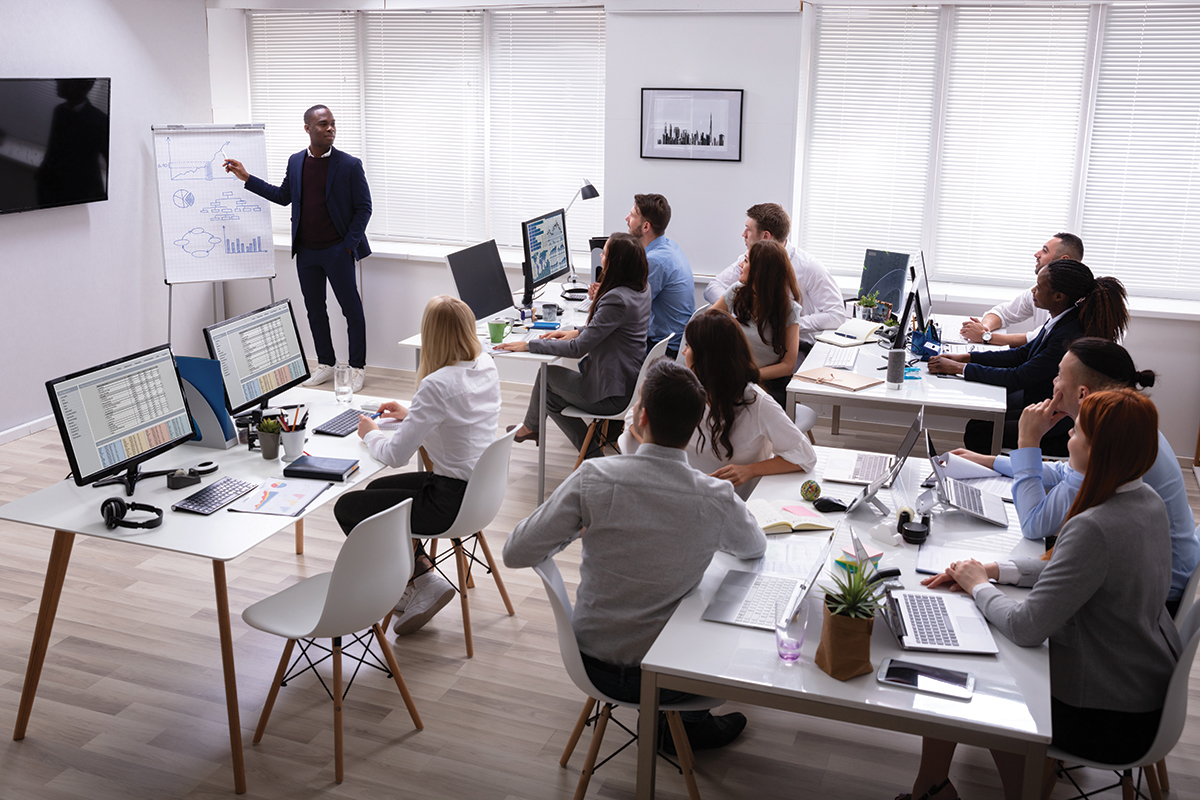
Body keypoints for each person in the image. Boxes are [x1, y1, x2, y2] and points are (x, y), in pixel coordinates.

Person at [901, 389, 1181, 800]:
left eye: (1078, 433)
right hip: (1140, 686)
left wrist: (978, 585)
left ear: (1099, 451)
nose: (1068, 436)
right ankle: (932, 787)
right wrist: (996, 570)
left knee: (976, 680)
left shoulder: (1095, 527)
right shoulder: (1147, 501)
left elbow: (1027, 626)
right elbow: (1067, 568)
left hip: (1109, 715)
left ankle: (962, 789)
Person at [503, 359, 766, 752]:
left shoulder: (594, 478)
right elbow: (754, 547)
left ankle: (674, 726)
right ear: (695, 427)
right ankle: (685, 725)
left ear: (640, 417)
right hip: (672, 678)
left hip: (593, 665)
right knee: (722, 595)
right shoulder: (714, 496)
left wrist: (577, 527)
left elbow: (514, 551)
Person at [950, 338, 1198, 615]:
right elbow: (1062, 473)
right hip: (1157, 569)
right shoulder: (1125, 423)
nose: (1053, 383)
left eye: (1058, 376)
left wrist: (1028, 443)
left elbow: (1034, 525)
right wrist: (992, 462)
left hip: (1149, 595)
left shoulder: (1108, 445)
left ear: (1082, 393)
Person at [332, 295, 501, 636]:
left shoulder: (436, 385)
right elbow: (459, 421)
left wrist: (370, 433)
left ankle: (415, 582)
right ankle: (420, 574)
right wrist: (412, 418)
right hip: (480, 492)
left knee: (349, 507)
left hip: (448, 503)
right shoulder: (485, 364)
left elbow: (395, 456)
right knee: (375, 491)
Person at [223, 105, 372, 392]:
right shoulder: (295, 162)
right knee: (315, 311)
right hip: (306, 252)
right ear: (308, 128)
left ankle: (357, 368)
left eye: (333, 124)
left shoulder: (349, 165)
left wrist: (348, 246)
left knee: (352, 311)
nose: (330, 129)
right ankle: (326, 364)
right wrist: (247, 178)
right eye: (323, 124)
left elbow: (364, 208)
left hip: (338, 251)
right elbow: (283, 197)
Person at [927, 259, 1128, 454]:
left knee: (980, 431)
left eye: (1039, 287)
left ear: (1059, 296)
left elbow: (1019, 377)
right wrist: (967, 358)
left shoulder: (1068, 334)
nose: (1033, 290)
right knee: (983, 419)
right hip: (1042, 401)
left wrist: (958, 369)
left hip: (1060, 426)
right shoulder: (1061, 319)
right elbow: (1021, 354)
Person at [619, 309, 816, 498]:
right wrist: (660, 454)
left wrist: (749, 471)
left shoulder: (755, 402)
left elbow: (805, 456)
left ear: (706, 357)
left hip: (735, 502)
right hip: (687, 495)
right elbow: (632, 417)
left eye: (689, 346)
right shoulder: (686, 387)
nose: (684, 352)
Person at [502, 232, 651, 455]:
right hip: (628, 382)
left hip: (612, 394)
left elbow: (578, 349)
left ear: (616, 263)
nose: (601, 256)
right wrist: (573, 332)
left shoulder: (615, 299)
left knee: (546, 377)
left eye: (605, 254)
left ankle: (533, 429)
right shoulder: (640, 289)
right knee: (549, 397)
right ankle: (587, 454)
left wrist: (530, 345)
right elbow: (610, 330)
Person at [703, 203, 846, 356]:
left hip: (793, 345)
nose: (743, 234)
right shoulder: (748, 259)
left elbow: (836, 316)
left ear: (765, 236)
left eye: (749, 229)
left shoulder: (809, 267)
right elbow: (714, 287)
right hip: (753, 342)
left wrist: (789, 324)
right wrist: (738, 307)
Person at [711, 240, 802, 408]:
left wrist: (748, 376)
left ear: (760, 271)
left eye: (745, 261)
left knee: (743, 406)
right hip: (736, 378)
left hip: (769, 383)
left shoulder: (789, 310)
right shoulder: (736, 291)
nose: (740, 264)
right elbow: (706, 323)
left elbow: (788, 366)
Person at [959, 233, 1084, 347]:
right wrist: (984, 327)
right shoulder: (1040, 290)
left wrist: (985, 337)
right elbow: (1003, 312)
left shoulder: (1075, 301)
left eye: (1045, 251)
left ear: (1064, 260)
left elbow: (1035, 338)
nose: (1036, 254)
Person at [626, 193, 694, 359]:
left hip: (664, 349)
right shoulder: (669, 246)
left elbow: (630, 308)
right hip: (674, 341)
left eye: (633, 215)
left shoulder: (654, 260)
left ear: (646, 227)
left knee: (594, 359)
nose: (627, 218)